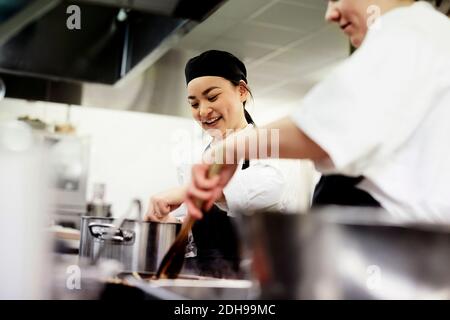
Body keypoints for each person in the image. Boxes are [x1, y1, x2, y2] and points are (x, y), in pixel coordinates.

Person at [185, 0, 450, 223]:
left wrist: (229, 150)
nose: (330, 14)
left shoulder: (408, 33)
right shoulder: (429, 36)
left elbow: (318, 131)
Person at [146, 50, 316, 278]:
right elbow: (192, 230)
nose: (203, 111)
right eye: (194, 103)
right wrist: (170, 225)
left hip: (258, 281)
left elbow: (268, 188)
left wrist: (189, 192)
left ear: (242, 91)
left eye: (212, 97)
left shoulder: (270, 145)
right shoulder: (198, 157)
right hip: (204, 278)